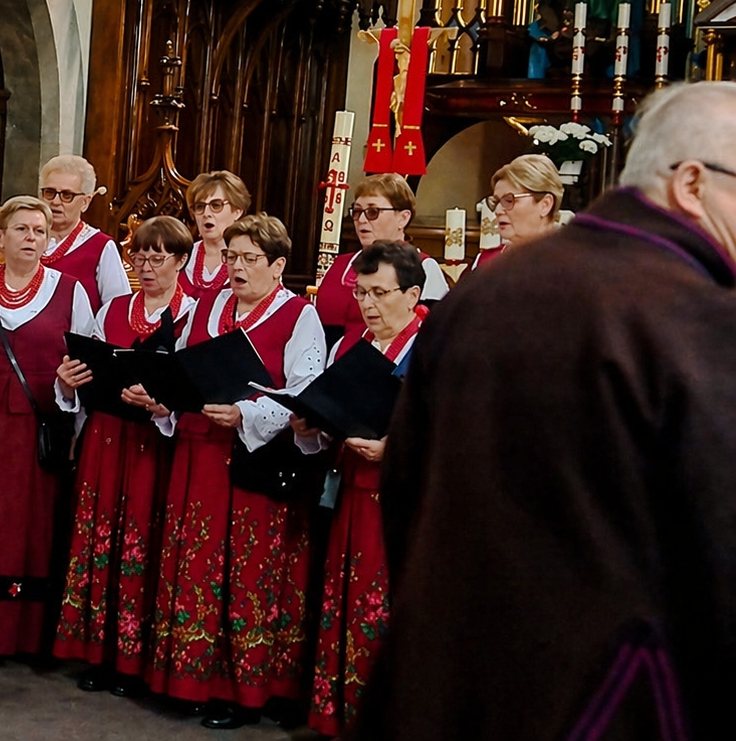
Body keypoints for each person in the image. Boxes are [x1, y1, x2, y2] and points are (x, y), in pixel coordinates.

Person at [362, 82, 736, 739]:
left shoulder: (487, 290)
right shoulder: (697, 320)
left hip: (443, 679)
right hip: (609, 701)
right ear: (691, 183)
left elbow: (405, 490)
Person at [146, 215, 325, 729]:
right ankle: (186, 678)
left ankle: (238, 691)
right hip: (199, 453)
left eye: (250, 259)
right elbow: (182, 370)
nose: (237, 268)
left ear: (279, 265)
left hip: (254, 461)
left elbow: (304, 391)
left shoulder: (298, 316)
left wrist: (248, 413)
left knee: (244, 573)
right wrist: (166, 402)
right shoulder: (208, 304)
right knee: (195, 563)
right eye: (231, 257)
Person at [0, 195, 96, 658]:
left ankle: (19, 637)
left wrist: (75, 428)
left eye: (40, 231)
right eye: (22, 229)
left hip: (35, 431)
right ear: (0, 236)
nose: (31, 238)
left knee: (23, 528)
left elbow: (84, 368)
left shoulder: (71, 292)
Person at [53, 215, 196, 695]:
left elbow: (194, 387)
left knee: (145, 547)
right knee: (101, 542)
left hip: (154, 445)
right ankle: (99, 654)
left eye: (160, 257)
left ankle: (139, 661)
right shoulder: (112, 308)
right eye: (140, 255)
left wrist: (162, 403)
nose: (148, 265)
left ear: (181, 260)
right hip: (106, 437)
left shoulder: (194, 314)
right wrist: (68, 380)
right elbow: (85, 368)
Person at [296, 241, 424, 737]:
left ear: (412, 294)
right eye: (360, 293)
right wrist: (314, 427)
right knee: (346, 601)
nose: (367, 305)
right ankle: (341, 715)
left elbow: (462, 424)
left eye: (379, 293)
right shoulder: (352, 346)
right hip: (352, 490)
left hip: (404, 501)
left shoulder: (434, 344)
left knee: (390, 608)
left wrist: (396, 447)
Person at [314, 173, 447, 344]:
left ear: (403, 218)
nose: (361, 220)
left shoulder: (424, 267)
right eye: (357, 211)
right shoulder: (340, 264)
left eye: (372, 212)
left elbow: (434, 335)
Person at [38, 154, 131, 309]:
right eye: (49, 192)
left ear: (85, 202)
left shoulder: (101, 247)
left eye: (66, 195)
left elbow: (117, 310)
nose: (55, 201)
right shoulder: (25, 239)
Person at [470, 153, 565, 272]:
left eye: (509, 200)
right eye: (496, 201)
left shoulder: (572, 264)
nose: (498, 211)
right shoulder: (486, 261)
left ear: (545, 204)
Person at [179, 171, 250, 300]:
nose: (206, 213)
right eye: (200, 207)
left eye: (215, 205)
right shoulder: (181, 256)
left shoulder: (253, 260)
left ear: (237, 211)